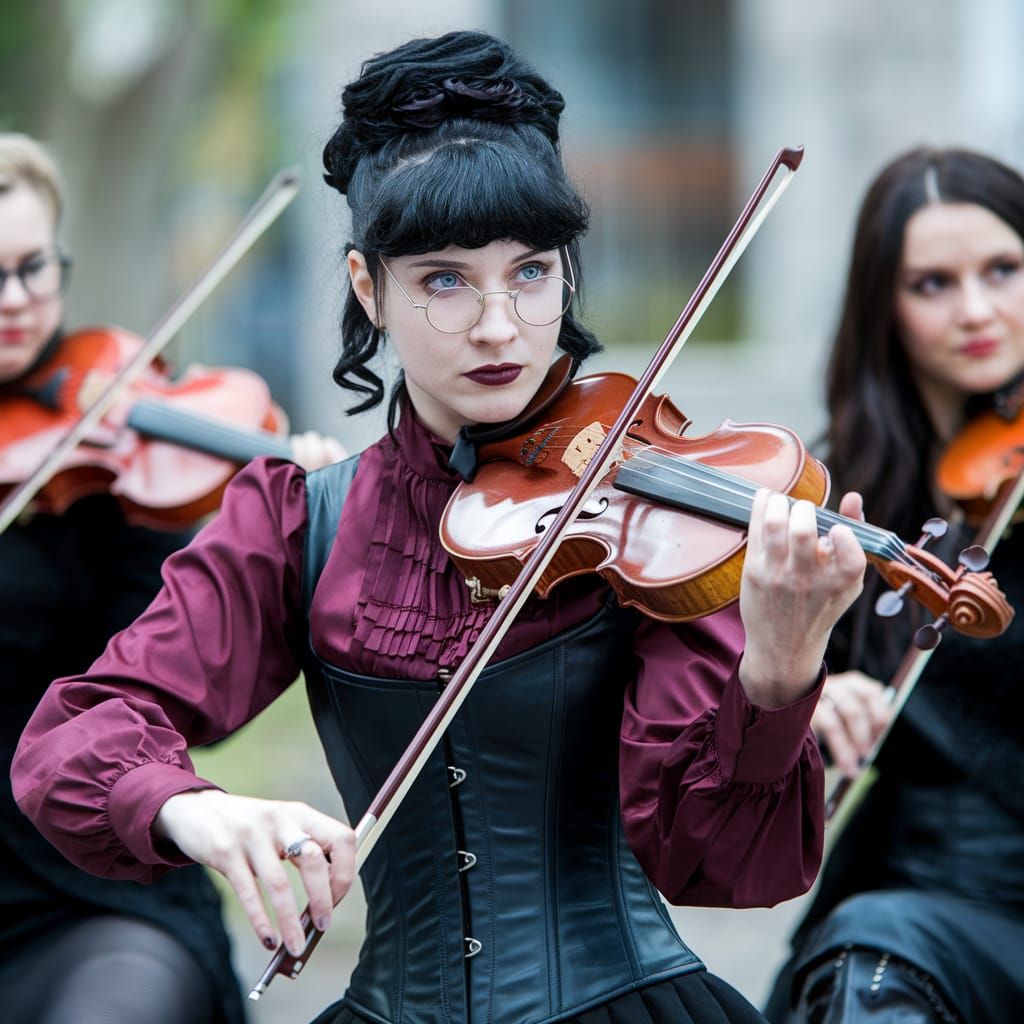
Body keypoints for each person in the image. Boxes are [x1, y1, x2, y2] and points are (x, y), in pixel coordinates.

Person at [12, 33, 866, 1024]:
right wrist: (197, 807)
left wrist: (777, 673)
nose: (499, 325)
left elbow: (719, 865)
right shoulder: (302, 518)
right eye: (445, 280)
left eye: (532, 272)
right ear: (369, 289)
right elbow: (75, 736)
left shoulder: (652, 520)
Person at [0, 133, 344, 1023]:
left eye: (34, 267)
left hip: (88, 883)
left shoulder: (121, 458)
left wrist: (309, 500)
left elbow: (167, 688)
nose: (16, 301)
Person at [763, 147, 1024, 1023]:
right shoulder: (848, 499)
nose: (978, 309)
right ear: (887, 307)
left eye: (1004, 270)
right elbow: (758, 707)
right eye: (933, 284)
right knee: (871, 965)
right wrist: (811, 690)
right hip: (938, 902)